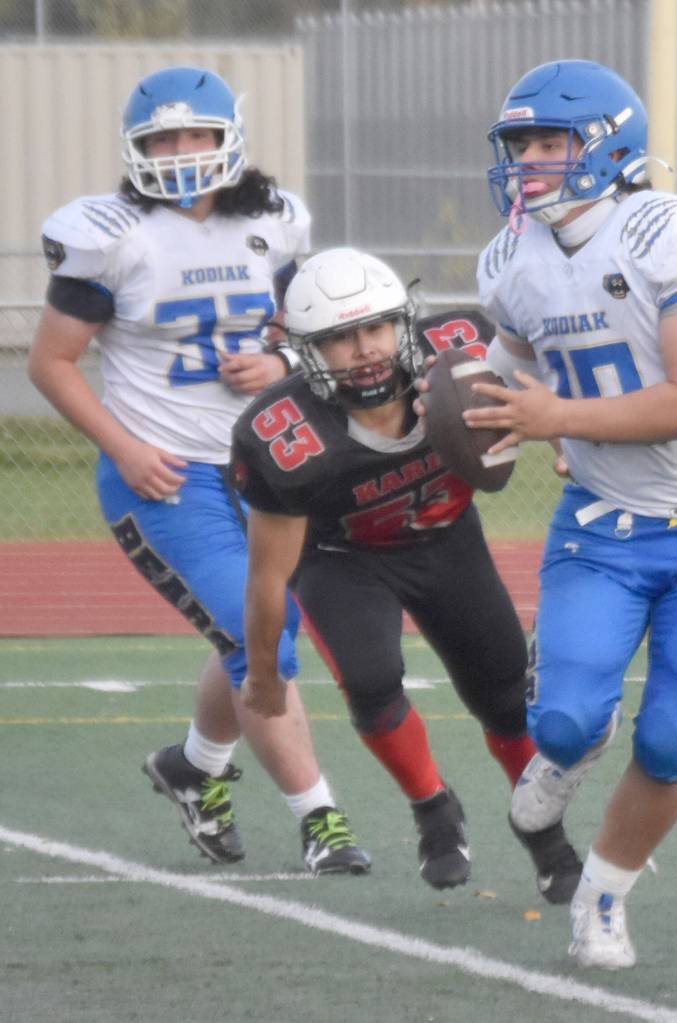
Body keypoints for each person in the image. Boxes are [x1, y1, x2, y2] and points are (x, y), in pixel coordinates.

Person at [466, 59, 677, 967]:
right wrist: (502, 407)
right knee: (564, 722)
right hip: (605, 521)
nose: (528, 162)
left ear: (608, 147)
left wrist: (555, 416)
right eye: (517, 145)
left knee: (671, 734)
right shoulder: (506, 258)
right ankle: (568, 748)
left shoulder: (672, 232)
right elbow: (518, 364)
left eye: (548, 143)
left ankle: (601, 895)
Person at [27, 65, 370, 877]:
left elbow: (301, 319)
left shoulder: (273, 221)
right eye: (162, 139)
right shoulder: (113, 234)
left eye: (195, 136)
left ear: (229, 140)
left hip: (265, 471)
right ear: (135, 149)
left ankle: (191, 767)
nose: (181, 152)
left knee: (247, 628)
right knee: (265, 635)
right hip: (166, 474)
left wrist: (279, 351)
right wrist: (123, 446)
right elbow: (51, 363)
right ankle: (320, 819)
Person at [230, 246, 579, 893]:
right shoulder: (284, 435)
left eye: (375, 327)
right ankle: (432, 807)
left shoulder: (464, 348)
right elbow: (266, 576)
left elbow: (551, 380)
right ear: (306, 350)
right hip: (343, 557)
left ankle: (544, 830)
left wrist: (561, 442)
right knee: (369, 676)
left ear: (401, 320)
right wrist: (261, 673)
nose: (363, 349)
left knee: (504, 693)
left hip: (447, 538)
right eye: (338, 337)